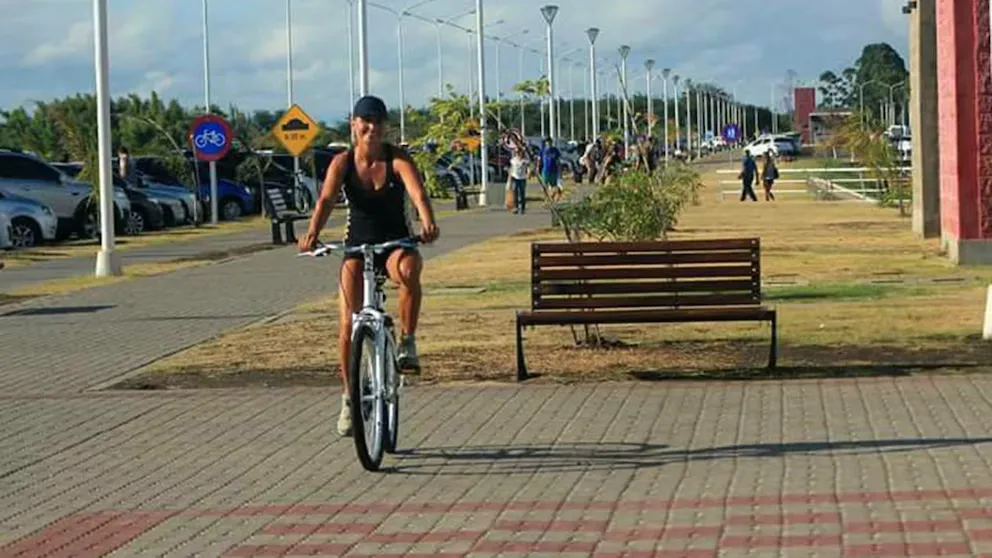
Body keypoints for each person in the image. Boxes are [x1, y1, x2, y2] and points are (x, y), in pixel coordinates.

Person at [298, 95, 439, 437]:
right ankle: (349, 397)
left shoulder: (398, 159)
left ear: (385, 126)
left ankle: (407, 341)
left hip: (395, 243)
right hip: (356, 247)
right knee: (347, 325)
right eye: (365, 121)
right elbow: (326, 199)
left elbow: (418, 194)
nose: (372, 128)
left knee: (408, 270)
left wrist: (428, 222)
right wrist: (312, 234)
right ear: (354, 125)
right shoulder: (343, 163)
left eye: (378, 122)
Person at [508, 146, 529, 214]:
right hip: (515, 178)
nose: (518, 154)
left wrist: (528, 173)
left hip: (522, 178)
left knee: (522, 193)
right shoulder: (513, 160)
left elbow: (529, 167)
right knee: (515, 193)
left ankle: (522, 208)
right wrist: (510, 178)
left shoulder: (525, 160)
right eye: (516, 152)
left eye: (519, 152)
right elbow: (511, 169)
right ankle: (515, 207)